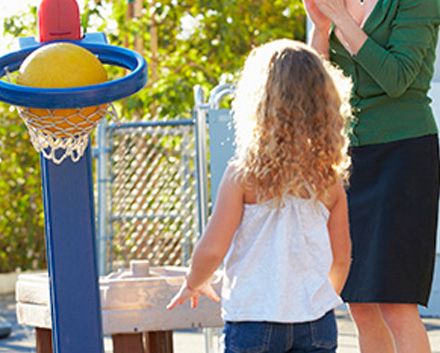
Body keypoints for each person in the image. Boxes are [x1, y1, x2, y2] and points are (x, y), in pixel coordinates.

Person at [167, 39, 353, 353]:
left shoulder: (244, 175)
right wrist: (316, 299)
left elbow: (213, 249)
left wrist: (194, 280)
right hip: (315, 322)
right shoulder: (328, 180)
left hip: (254, 319)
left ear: (259, 103)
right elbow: (341, 258)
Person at [304, 0, 440, 352]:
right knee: (360, 303)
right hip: (347, 159)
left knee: (396, 302)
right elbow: (319, 87)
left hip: (403, 154)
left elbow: (397, 77)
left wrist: (340, 18)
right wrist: (320, 30)